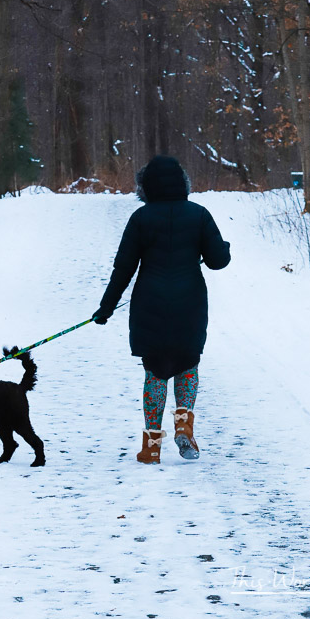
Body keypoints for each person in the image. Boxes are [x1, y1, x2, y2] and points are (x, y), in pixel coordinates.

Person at [93, 155, 231, 464]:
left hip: (150, 303)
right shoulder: (199, 215)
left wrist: (106, 308)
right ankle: (185, 430)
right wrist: (224, 248)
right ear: (183, 183)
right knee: (187, 365)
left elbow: (123, 268)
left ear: (147, 187)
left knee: (155, 371)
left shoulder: (141, 219)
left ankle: (151, 447)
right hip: (190, 304)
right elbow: (218, 261)